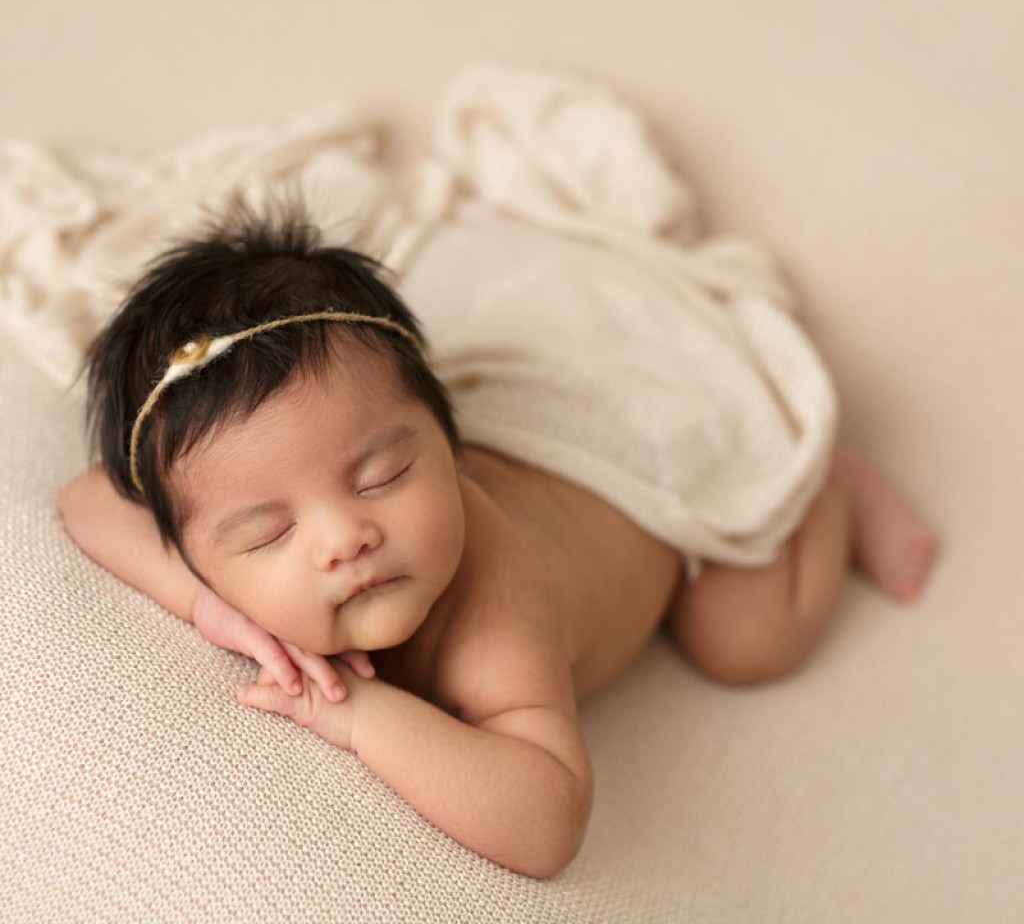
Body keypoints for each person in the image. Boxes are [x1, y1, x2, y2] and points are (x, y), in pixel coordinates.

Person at [58, 199, 935, 878]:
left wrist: (357, 713)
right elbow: (90, 499)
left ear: (448, 442)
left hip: (645, 459)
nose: (343, 537)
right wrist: (211, 609)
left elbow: (547, 819)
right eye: (268, 531)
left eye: (383, 477)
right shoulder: (225, 555)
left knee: (745, 638)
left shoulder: (493, 607)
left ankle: (814, 478)